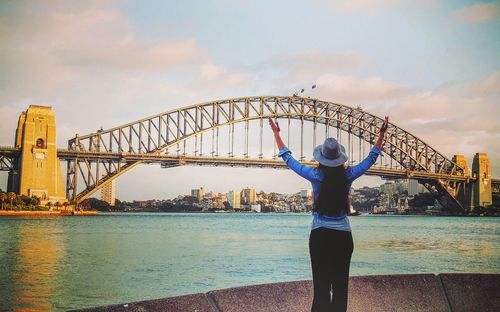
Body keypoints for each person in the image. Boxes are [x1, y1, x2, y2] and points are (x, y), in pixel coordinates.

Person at [269, 116, 389, 312]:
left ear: (322, 158)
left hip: (320, 237)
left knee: (321, 289)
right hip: (343, 237)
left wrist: (276, 134)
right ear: (340, 158)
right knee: (340, 290)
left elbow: (288, 158)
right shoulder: (348, 175)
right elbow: (371, 158)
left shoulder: (315, 176)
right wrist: (381, 135)